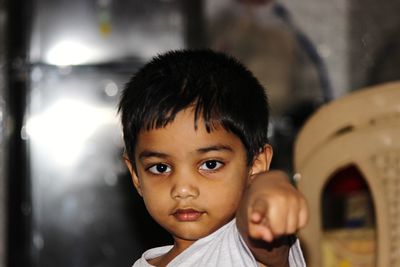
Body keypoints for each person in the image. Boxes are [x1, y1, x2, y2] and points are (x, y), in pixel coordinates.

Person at [119, 49, 308, 267]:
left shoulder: (243, 245)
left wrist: (270, 185)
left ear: (255, 165)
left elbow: (259, 222)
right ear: (135, 176)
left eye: (210, 164)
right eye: (160, 168)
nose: (182, 189)